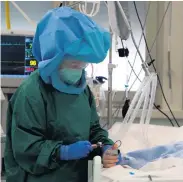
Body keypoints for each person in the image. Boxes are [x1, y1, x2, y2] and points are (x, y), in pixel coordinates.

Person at [4, 7, 121, 182]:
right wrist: (62, 152)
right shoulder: (31, 92)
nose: (79, 70)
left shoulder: (82, 89)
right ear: (54, 58)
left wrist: (105, 147)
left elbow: (94, 130)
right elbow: (26, 148)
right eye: (74, 65)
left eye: (83, 65)